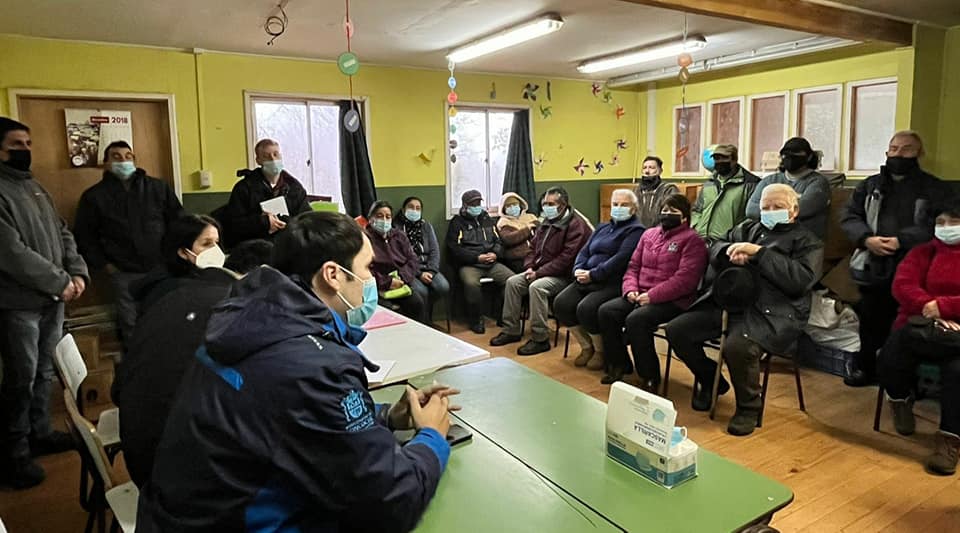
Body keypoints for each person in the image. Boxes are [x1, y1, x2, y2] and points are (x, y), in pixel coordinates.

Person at [136, 212, 456, 531]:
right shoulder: (314, 362)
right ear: (333, 274)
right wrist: (431, 437)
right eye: (366, 267)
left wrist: (384, 416)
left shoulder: (249, 319)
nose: (370, 279)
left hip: (178, 514)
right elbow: (392, 502)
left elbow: (288, 410)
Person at [665, 184, 822, 435]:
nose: (770, 211)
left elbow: (800, 280)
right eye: (765, 207)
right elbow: (715, 245)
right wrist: (728, 251)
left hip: (774, 311)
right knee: (678, 330)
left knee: (737, 346)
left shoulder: (808, 242)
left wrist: (759, 254)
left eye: (777, 207)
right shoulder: (747, 228)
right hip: (728, 301)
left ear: (794, 211)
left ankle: (749, 407)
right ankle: (710, 380)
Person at [0, 117, 89, 489]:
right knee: (20, 377)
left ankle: (40, 432)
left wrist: (77, 272)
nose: (25, 150)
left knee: (45, 372)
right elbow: (11, 253)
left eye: (28, 142)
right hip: (18, 303)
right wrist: (60, 281)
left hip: (55, 298)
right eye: (16, 144)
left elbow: (63, 232)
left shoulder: (35, 187)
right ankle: (13, 453)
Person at [113, 214, 234, 487]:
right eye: (206, 244)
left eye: (217, 243)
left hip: (144, 441)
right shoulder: (174, 295)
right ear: (182, 251)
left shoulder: (171, 287)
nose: (215, 251)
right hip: (162, 461)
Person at [841, 131, 955, 387]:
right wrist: (866, 239)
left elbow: (941, 224)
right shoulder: (869, 185)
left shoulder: (935, 188)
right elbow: (848, 216)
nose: (898, 154)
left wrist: (902, 240)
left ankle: (903, 382)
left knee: (906, 325)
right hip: (873, 264)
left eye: (906, 149)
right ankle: (866, 369)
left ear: (919, 153)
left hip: (916, 266)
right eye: (893, 148)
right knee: (870, 322)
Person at [877, 203, 960, 476]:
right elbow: (902, 285)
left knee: (957, 371)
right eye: (941, 222)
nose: (946, 227)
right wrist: (931, 308)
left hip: (957, 333)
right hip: (919, 326)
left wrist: (946, 308)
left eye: (954, 221)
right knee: (891, 354)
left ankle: (950, 439)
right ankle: (900, 400)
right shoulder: (922, 252)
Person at [73, 140, 183, 347]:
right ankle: (137, 365)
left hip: (160, 268)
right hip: (123, 272)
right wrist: (106, 265)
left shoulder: (158, 188)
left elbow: (178, 221)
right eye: (116, 157)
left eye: (128, 156)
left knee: (163, 315)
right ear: (105, 163)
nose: (123, 161)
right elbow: (85, 236)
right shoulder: (94, 197)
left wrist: (173, 257)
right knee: (130, 323)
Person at [597, 194, 708, 388]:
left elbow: (685, 281)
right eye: (664, 210)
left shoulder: (693, 241)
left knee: (637, 320)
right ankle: (619, 364)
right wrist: (630, 290)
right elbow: (633, 267)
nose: (667, 214)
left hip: (672, 300)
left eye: (673, 211)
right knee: (607, 311)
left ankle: (649, 376)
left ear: (684, 217)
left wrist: (652, 296)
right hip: (639, 294)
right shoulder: (648, 235)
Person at [491, 187, 592, 356]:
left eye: (551, 204)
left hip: (565, 276)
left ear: (563, 204)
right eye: (545, 203)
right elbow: (532, 248)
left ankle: (540, 338)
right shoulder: (546, 221)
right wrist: (530, 267)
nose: (546, 207)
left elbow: (565, 260)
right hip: (540, 270)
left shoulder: (576, 225)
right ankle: (511, 330)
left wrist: (538, 273)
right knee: (513, 282)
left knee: (537, 287)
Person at [554, 189, 644, 371]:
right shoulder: (602, 227)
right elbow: (585, 251)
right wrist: (578, 269)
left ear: (634, 209)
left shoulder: (636, 231)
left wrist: (593, 274)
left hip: (611, 282)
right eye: (615, 204)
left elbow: (621, 259)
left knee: (586, 308)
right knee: (561, 304)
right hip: (586, 277)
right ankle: (587, 346)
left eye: (624, 205)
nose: (618, 208)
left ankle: (600, 351)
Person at [220, 138, 311, 247]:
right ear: (258, 160)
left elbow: (307, 218)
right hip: (255, 246)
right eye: (266, 156)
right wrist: (262, 222)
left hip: (288, 244)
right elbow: (233, 225)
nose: (273, 159)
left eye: (276, 154)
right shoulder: (244, 188)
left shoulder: (294, 187)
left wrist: (286, 222)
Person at [446, 190, 514, 334]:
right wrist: (476, 257)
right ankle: (476, 319)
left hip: (491, 262)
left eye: (478, 203)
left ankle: (503, 315)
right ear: (465, 205)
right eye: (473, 204)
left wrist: (495, 254)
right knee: (471, 284)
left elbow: (498, 241)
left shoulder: (486, 218)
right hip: (470, 264)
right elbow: (455, 249)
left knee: (512, 280)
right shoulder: (457, 223)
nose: (476, 206)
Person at [746, 137, 831, 239]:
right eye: (786, 154)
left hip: (804, 243)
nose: (790, 157)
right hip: (769, 240)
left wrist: (767, 210)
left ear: (809, 157)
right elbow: (750, 210)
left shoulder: (818, 182)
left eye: (796, 154)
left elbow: (802, 209)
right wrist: (786, 205)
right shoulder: (769, 180)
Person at [365, 200, 428, 324]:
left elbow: (413, 259)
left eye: (388, 217)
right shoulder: (364, 239)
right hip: (377, 285)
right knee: (389, 310)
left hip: (401, 281)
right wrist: (387, 282)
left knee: (417, 303)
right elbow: (363, 270)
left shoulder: (399, 235)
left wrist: (402, 277)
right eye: (379, 216)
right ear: (371, 218)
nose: (384, 220)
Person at [691, 144, 760, 243]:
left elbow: (752, 217)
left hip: (729, 244)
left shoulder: (751, 184)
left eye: (724, 158)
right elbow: (697, 210)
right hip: (701, 241)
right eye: (716, 158)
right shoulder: (709, 183)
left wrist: (735, 235)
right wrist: (696, 227)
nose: (719, 161)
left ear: (734, 160)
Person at [395, 196, 450, 314]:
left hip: (428, 267)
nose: (414, 211)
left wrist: (431, 271)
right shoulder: (397, 228)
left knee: (443, 287)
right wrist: (419, 274)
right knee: (421, 291)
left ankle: (425, 315)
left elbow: (435, 251)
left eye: (418, 208)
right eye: (411, 207)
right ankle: (422, 321)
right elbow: (400, 257)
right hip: (409, 270)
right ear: (403, 209)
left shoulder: (426, 226)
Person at [496, 192, 538, 272]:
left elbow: (541, 232)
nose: (512, 208)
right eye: (509, 206)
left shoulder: (531, 217)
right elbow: (509, 239)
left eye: (515, 205)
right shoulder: (503, 222)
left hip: (536, 254)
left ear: (520, 205)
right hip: (517, 258)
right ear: (504, 209)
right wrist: (527, 229)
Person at [634, 156, 680, 228]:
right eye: (644, 168)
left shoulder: (669, 189)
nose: (647, 171)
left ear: (660, 171)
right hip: (638, 231)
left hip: (661, 232)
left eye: (651, 168)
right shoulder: (636, 191)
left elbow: (671, 215)